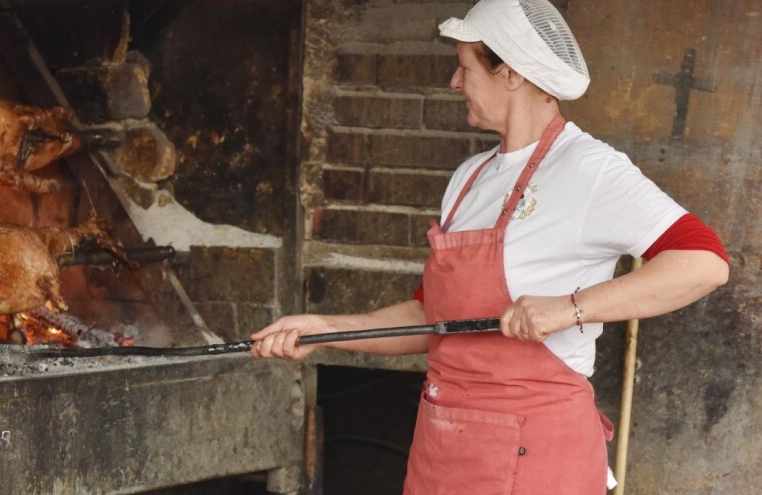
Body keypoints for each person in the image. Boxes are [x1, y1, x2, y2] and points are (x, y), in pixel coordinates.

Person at [251, 0, 730, 493]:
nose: (455, 83)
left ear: (512, 73)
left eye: (464, 67)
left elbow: (703, 262)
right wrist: (323, 330)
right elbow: (433, 319)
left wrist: (570, 308)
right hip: (444, 450)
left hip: (536, 457)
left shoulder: (589, 170)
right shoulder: (469, 178)